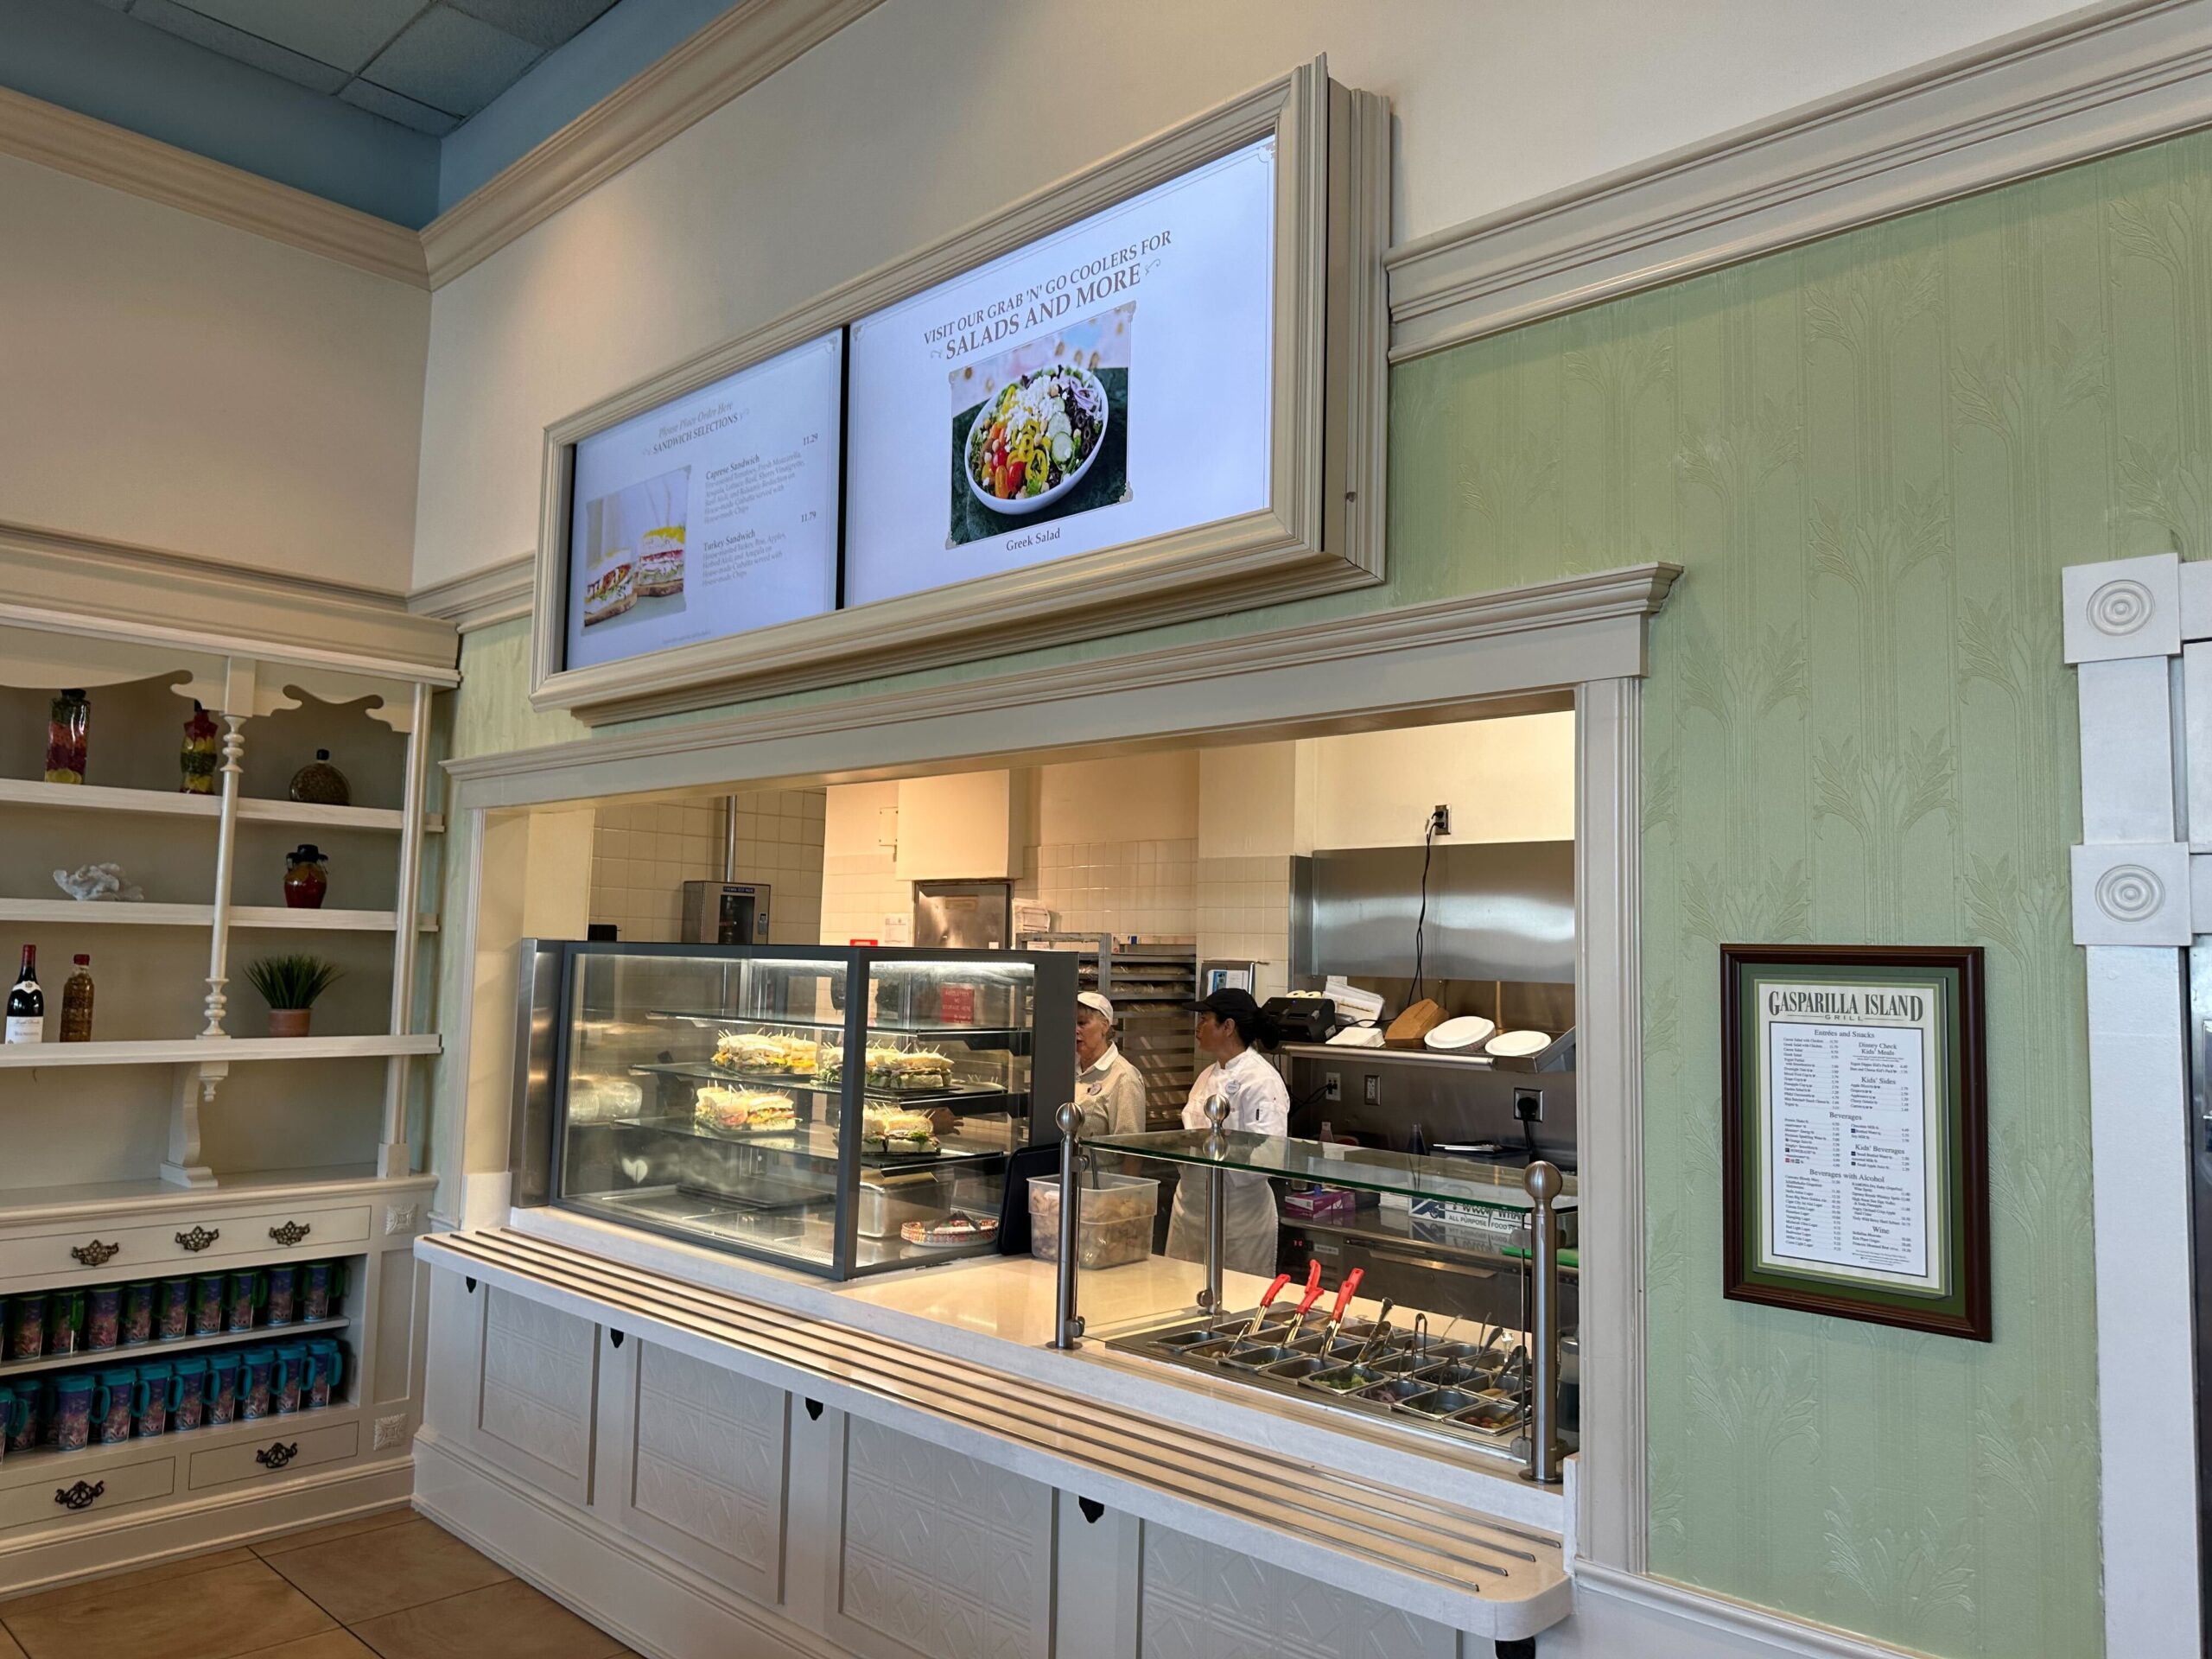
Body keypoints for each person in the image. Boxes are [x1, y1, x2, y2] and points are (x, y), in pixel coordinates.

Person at [1163, 988, 1290, 1277]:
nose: (1197, 1027)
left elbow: (1269, 1156)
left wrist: (1217, 1152)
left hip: (1238, 1215)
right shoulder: (1206, 1075)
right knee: (1179, 1290)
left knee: (1236, 1296)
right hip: (1191, 1208)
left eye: (1205, 1019)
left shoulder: (1262, 1081)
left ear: (1228, 1027)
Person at [1073, 990, 1149, 1139]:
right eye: (1071, 1023)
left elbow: (1129, 1146)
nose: (1075, 1030)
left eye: (1082, 1023)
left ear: (1105, 1025)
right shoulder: (1067, 1068)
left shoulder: (1124, 1078)